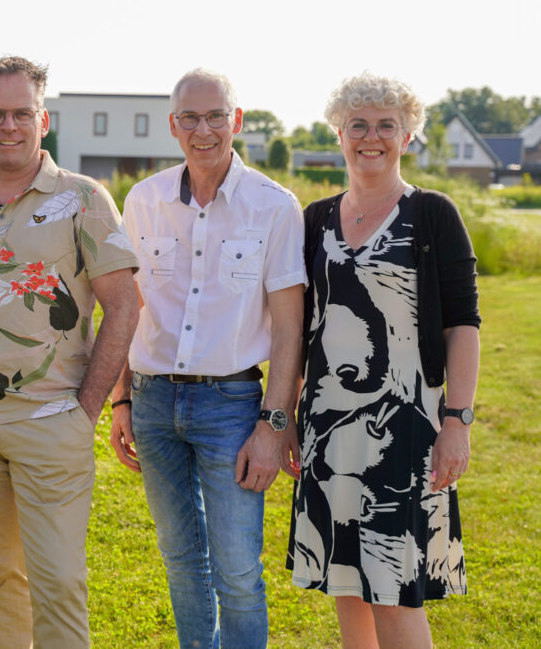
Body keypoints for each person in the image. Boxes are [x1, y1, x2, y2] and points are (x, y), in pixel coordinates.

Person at [0, 56, 139, 648]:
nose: (8, 126)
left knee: (58, 581)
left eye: (21, 113)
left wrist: (86, 408)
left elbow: (125, 306)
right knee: (0, 578)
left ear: (42, 120)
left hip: (52, 420)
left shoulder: (84, 198)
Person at [109, 68, 306, 649]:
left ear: (235, 121)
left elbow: (291, 328)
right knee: (179, 562)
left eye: (215, 115)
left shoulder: (274, 207)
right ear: (173, 126)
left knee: (239, 571)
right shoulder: (143, 201)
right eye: (190, 118)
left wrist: (274, 425)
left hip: (233, 405)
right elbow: (130, 306)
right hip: (152, 400)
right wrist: (121, 397)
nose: (204, 129)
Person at [285, 72, 481, 649]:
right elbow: (297, 329)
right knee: (347, 585)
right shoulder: (314, 219)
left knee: (394, 591)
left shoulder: (433, 214)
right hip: (329, 428)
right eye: (358, 126)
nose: (371, 137)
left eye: (386, 126)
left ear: (408, 135)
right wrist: (290, 414)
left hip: (406, 428)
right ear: (339, 133)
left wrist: (457, 421)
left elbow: (463, 325)